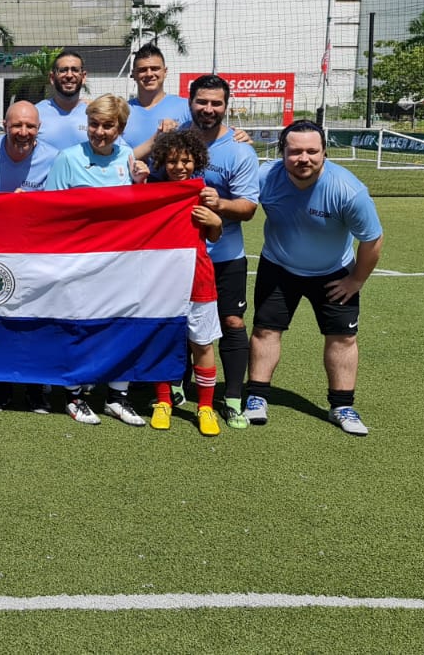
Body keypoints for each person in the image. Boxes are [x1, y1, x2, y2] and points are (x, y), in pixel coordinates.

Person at [246, 121, 384, 436]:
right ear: (282, 152)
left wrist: (356, 281)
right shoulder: (267, 177)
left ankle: (342, 406)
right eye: (295, 151)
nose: (303, 158)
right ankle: (256, 397)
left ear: (324, 152)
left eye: (312, 151)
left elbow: (373, 240)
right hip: (278, 266)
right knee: (266, 330)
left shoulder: (348, 190)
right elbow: (233, 193)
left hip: (334, 272)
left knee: (342, 337)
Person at [47, 93, 147, 427]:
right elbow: (53, 212)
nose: (99, 132)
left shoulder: (129, 156)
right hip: (79, 261)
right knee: (80, 326)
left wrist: (140, 185)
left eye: (108, 126)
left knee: (121, 325)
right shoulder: (68, 158)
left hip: (119, 262)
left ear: (120, 128)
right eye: (94, 124)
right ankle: (76, 396)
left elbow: (135, 208)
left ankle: (117, 397)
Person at [180, 74, 261, 429]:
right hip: (180, 253)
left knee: (231, 322)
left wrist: (221, 205)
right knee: (176, 322)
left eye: (216, 103)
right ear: (190, 101)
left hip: (225, 255)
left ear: (226, 106)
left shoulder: (240, 150)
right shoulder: (177, 138)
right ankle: (176, 387)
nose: (208, 109)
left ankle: (232, 397)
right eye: (202, 101)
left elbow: (249, 208)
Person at [0, 100, 58, 414]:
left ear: (38, 128)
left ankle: (36, 389)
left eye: (30, 126)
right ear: (4, 125)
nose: (23, 132)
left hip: (34, 252)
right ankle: (0, 388)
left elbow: (59, 206)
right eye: (16, 125)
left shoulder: (53, 158)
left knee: (34, 321)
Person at [146, 129, 224, 437]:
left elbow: (213, 236)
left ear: (198, 161)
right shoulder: (151, 193)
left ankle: (205, 407)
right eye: (173, 161)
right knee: (162, 341)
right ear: (163, 162)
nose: (180, 167)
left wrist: (216, 222)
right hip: (162, 282)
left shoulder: (204, 192)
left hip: (199, 279)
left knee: (202, 344)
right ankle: (163, 402)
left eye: (187, 161)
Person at [122, 44, 192, 151]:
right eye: (142, 70)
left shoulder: (187, 107)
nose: (149, 74)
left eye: (155, 69)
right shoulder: (122, 110)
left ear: (165, 72)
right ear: (134, 74)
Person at [34, 49, 90, 153]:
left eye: (75, 70)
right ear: (52, 77)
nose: (69, 75)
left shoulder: (94, 113)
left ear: (83, 77)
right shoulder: (36, 113)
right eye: (63, 70)